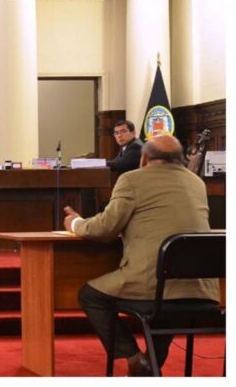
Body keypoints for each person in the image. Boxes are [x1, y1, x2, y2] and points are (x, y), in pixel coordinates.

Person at [63, 135, 219, 376]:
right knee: (168, 302)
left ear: (144, 158)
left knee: (90, 296)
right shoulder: (196, 183)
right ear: (180, 159)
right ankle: (150, 364)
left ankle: (135, 358)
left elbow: (105, 228)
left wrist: (75, 223)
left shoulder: (132, 179)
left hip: (153, 281)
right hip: (200, 288)